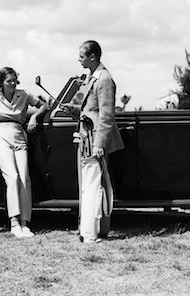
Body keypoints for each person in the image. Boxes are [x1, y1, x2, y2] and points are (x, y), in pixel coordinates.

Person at [62, 40, 124, 243]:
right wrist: (72, 108)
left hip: (94, 140)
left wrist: (99, 144)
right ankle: (89, 230)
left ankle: (89, 233)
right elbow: (86, 107)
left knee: (92, 185)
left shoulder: (104, 79)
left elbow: (106, 116)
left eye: (81, 56)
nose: (78, 59)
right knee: (89, 184)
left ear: (92, 57)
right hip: (87, 136)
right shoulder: (92, 77)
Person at [0, 67, 48, 238]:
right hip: (1, 135)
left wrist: (34, 117)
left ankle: (25, 223)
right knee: (12, 177)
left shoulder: (24, 94)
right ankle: (14, 222)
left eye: (14, 80)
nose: (12, 83)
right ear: (1, 82)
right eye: (8, 80)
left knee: (25, 178)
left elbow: (44, 105)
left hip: (19, 135)